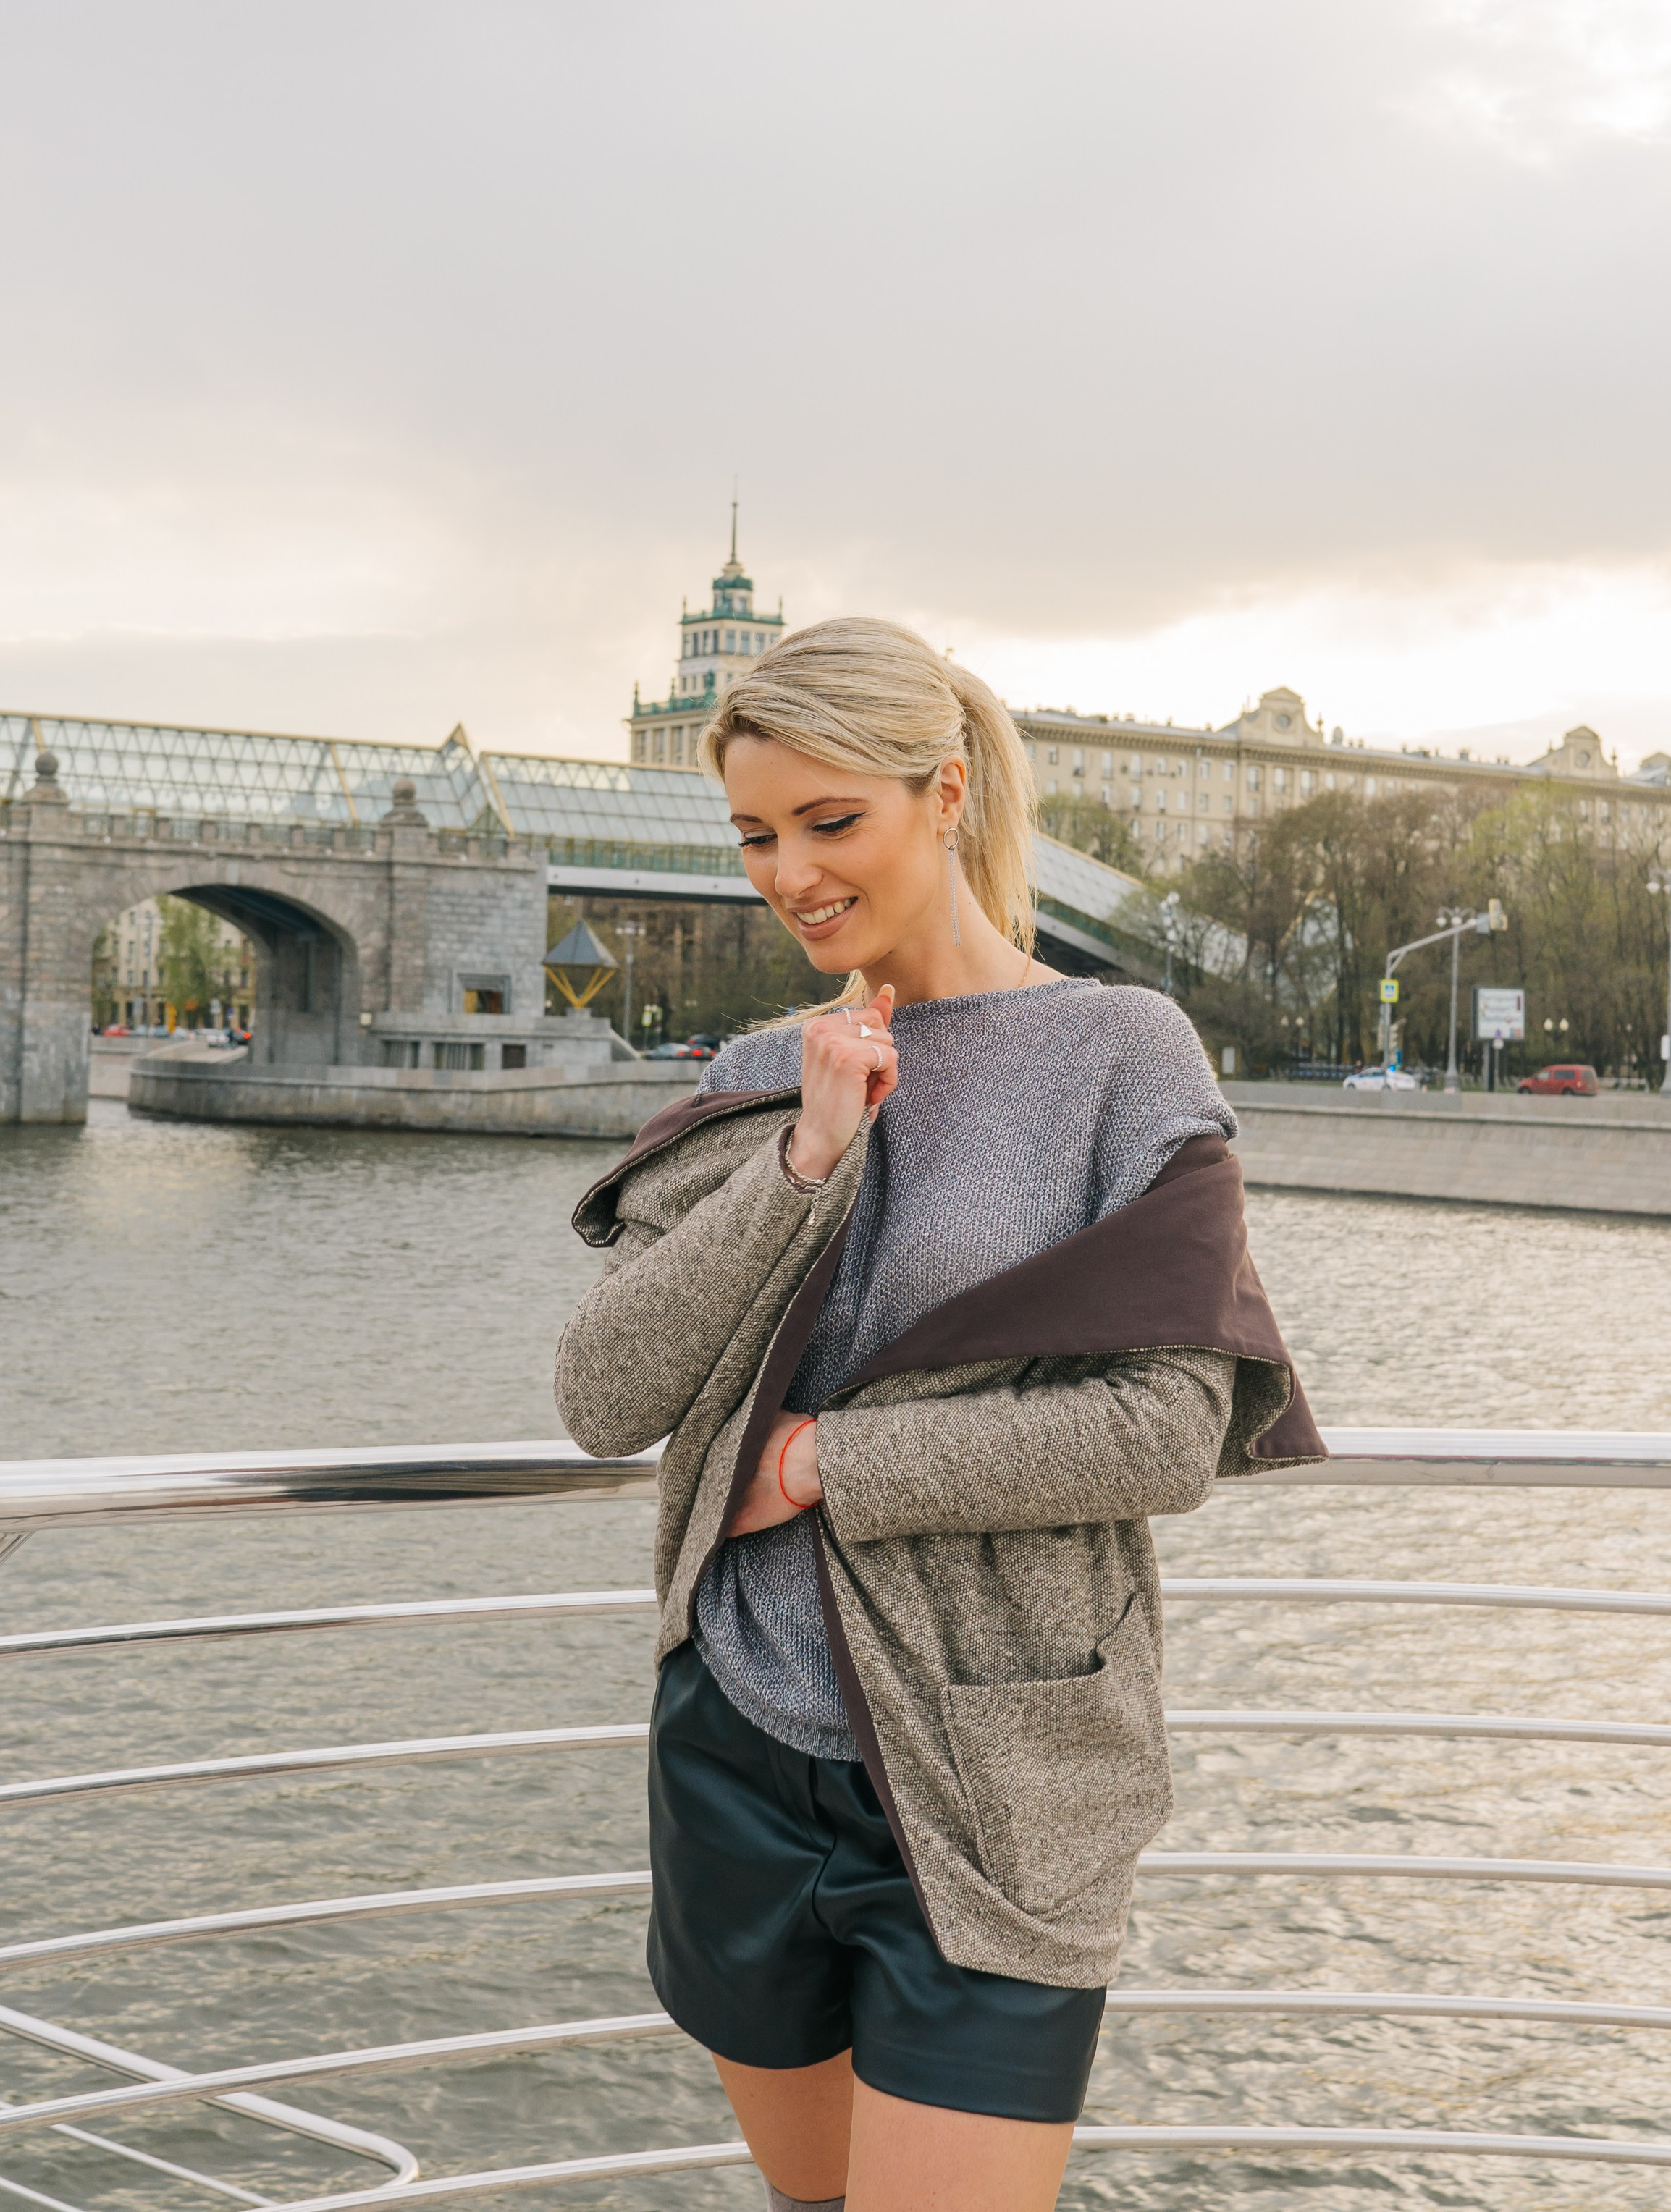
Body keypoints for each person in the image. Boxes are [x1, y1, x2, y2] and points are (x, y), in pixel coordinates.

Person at [557, 617, 1323, 2212]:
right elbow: (602, 1394)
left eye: (830, 820)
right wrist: (803, 1158)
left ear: (946, 794)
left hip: (1002, 1766)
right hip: (739, 1743)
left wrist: (823, 1461)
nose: (790, 873)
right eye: (756, 835)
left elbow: (1167, 1427)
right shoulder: (763, 1070)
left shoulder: (1120, 1052)